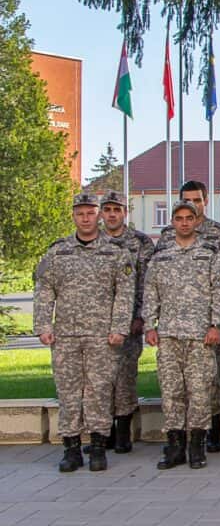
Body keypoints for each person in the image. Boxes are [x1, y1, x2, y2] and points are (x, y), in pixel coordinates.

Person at [34, 192, 135, 473]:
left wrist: (119, 329)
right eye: (80, 213)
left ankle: (99, 447)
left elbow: (124, 295)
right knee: (68, 393)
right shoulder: (58, 252)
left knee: (99, 392)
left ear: (99, 215)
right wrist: (43, 325)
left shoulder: (116, 253)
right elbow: (44, 290)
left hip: (102, 337)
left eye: (91, 213)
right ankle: (71, 448)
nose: (86, 218)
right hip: (66, 335)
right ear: (73, 216)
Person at [143, 200, 220, 470]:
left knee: (200, 391)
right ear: (172, 222)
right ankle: (174, 445)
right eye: (178, 218)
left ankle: (197, 445)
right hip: (169, 335)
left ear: (195, 221)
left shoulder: (210, 254)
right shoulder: (161, 257)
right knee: (171, 392)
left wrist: (216, 324)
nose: (183, 222)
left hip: (200, 335)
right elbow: (150, 293)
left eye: (188, 218)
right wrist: (150, 325)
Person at [161, 180, 220, 453]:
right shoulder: (168, 236)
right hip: (175, 325)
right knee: (176, 382)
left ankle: (212, 431)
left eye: (197, 200)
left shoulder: (219, 234)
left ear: (205, 201)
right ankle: (181, 436)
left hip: (209, 323)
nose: (192, 204)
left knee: (211, 377)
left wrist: (219, 319)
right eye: (187, 199)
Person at [98, 190, 155, 454]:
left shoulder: (141, 243)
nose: (112, 214)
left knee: (125, 377)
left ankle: (122, 434)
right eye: (107, 210)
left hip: (130, 321)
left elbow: (148, 282)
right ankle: (103, 433)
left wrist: (141, 316)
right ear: (101, 213)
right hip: (95, 323)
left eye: (116, 209)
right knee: (98, 380)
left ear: (125, 213)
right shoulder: (91, 242)